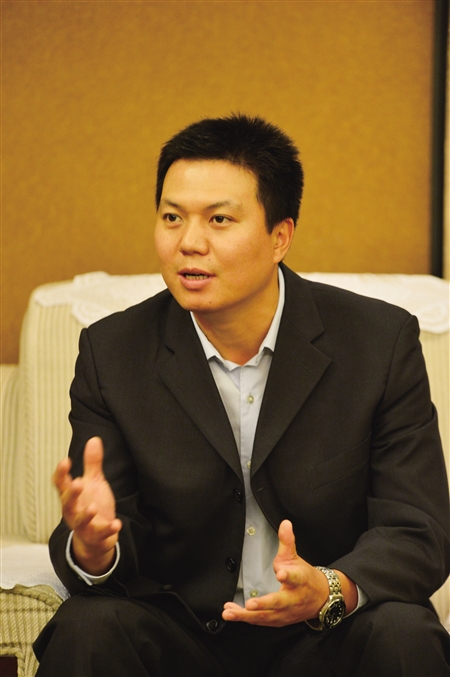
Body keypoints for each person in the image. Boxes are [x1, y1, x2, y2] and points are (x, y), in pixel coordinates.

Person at [34, 114, 450, 676]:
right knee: (88, 626)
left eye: (219, 219)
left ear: (280, 236)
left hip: (323, 634)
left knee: (404, 632)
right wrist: (93, 546)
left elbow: (417, 528)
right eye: (172, 217)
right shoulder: (112, 352)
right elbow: (109, 524)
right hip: (180, 634)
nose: (189, 242)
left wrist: (331, 587)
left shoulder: (378, 342)